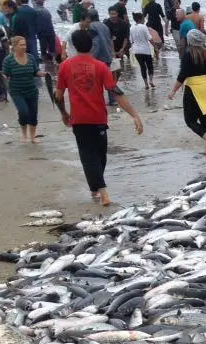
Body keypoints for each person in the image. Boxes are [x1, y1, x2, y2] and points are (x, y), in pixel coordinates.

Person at [55, 28, 143, 206]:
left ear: (73, 45)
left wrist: (64, 113)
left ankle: (95, 189)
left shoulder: (65, 66)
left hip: (82, 119)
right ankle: (103, 193)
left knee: (95, 157)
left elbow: (58, 95)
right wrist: (135, 115)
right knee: (94, 156)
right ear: (92, 45)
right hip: (96, 119)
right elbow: (116, 92)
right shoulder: (100, 66)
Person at [167, 29, 206, 155]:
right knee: (205, 119)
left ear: (190, 41)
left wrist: (173, 91)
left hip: (194, 88)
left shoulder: (188, 55)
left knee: (190, 120)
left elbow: (182, 75)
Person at [130, 12, 155, 89]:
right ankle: (151, 80)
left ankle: (146, 84)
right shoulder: (144, 27)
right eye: (143, 18)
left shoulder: (131, 27)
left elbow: (131, 40)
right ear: (140, 19)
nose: (144, 20)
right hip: (145, 50)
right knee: (150, 66)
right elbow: (150, 38)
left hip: (137, 51)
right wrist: (156, 48)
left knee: (142, 67)